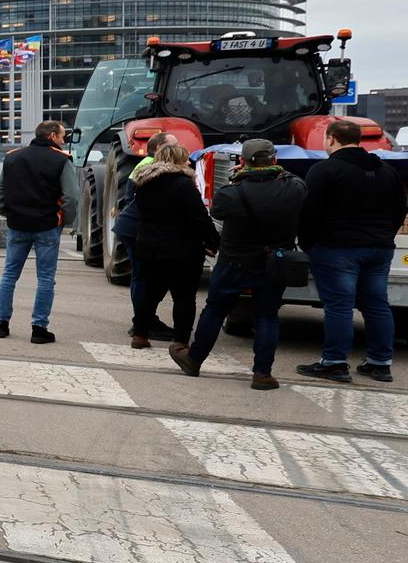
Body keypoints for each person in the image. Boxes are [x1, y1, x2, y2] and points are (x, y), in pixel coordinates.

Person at [175, 139, 306, 390]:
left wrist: (237, 179)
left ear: (243, 162)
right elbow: (297, 182)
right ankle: (262, 374)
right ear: (275, 161)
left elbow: (218, 212)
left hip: (234, 262)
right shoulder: (293, 188)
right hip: (273, 263)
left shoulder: (232, 191)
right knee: (267, 317)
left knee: (214, 310)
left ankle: (194, 359)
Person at [294, 120, 407, 382]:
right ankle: (380, 363)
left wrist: (308, 243)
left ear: (332, 139)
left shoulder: (324, 170)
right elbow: (399, 209)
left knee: (339, 305)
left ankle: (334, 362)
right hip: (378, 248)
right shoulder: (386, 171)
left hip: (336, 248)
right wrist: (384, 236)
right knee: (377, 304)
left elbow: (310, 211)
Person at [0, 120, 81, 343]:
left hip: (18, 224)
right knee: (45, 279)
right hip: (47, 226)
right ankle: (39, 329)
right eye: (62, 136)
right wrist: (65, 221)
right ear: (52, 136)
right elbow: (71, 196)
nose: (63, 140)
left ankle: (1, 324)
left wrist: (7, 212)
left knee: (9, 275)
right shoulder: (61, 159)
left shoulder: (13, 156)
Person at [129, 143, 219, 350]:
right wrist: (212, 241)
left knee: (149, 294)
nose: (189, 162)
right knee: (184, 297)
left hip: (149, 245)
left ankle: (140, 335)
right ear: (178, 160)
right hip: (182, 249)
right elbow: (199, 217)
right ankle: (181, 341)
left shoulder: (143, 183)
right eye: (186, 158)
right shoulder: (183, 185)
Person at [112, 132, 176, 340]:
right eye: (173, 145)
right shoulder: (150, 167)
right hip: (137, 229)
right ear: (159, 149)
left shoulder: (147, 164)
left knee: (141, 276)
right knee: (143, 277)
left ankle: (144, 320)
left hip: (134, 227)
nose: (179, 148)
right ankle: (143, 322)